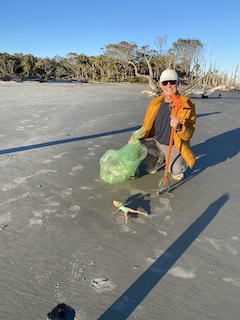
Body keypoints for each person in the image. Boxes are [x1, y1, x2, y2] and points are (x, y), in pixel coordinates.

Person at [131, 69, 196, 181]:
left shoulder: (187, 105)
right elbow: (146, 125)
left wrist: (179, 127)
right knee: (134, 148)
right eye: (165, 83)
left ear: (178, 83)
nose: (169, 86)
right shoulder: (154, 103)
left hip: (175, 145)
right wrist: (134, 136)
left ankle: (175, 163)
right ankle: (157, 160)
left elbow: (188, 134)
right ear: (160, 85)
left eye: (172, 82)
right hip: (156, 142)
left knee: (175, 171)